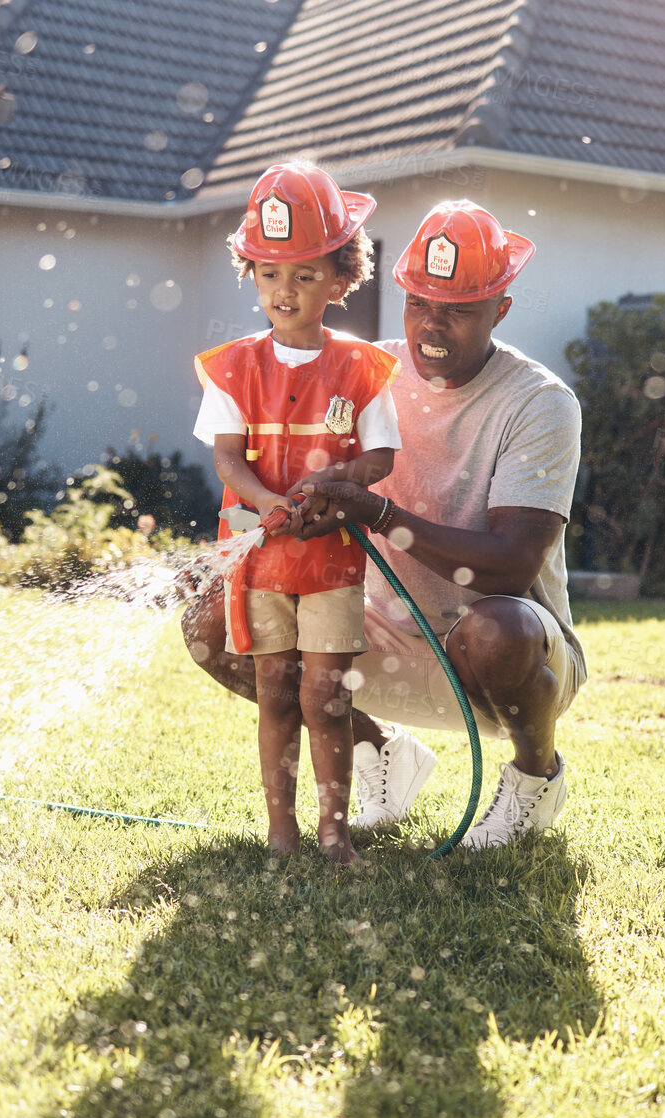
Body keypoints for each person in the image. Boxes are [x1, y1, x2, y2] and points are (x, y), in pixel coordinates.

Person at [183, 199, 586, 848]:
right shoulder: (364, 372)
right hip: (372, 634)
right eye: (419, 302)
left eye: (456, 310)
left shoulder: (538, 403)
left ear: (499, 310)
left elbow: (513, 563)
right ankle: (378, 752)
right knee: (212, 624)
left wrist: (377, 512)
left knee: (499, 630)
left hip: (492, 652)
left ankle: (534, 777)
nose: (432, 326)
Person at [192, 162, 403, 864]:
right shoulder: (231, 368)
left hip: (330, 560)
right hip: (259, 557)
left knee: (326, 696)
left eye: (306, 276)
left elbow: (380, 460)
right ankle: (281, 832)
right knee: (276, 692)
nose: (285, 291)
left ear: (342, 280)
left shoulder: (362, 369)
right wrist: (267, 501)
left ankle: (333, 829)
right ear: (249, 273)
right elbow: (227, 460)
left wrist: (335, 485)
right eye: (269, 274)